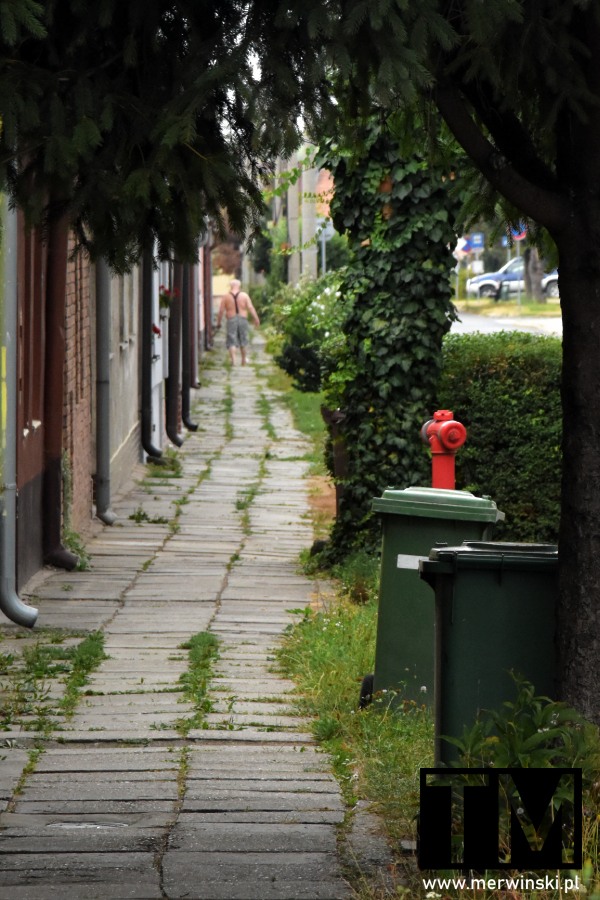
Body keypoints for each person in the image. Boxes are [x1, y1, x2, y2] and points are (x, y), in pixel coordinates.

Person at [216, 279, 260, 366]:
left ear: (231, 286)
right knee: (243, 339)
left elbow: (221, 311)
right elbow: (250, 307)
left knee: (231, 340)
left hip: (231, 318)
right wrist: (256, 318)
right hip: (243, 318)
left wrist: (219, 322)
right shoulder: (244, 296)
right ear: (239, 286)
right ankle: (243, 360)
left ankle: (233, 361)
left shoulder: (226, 297)